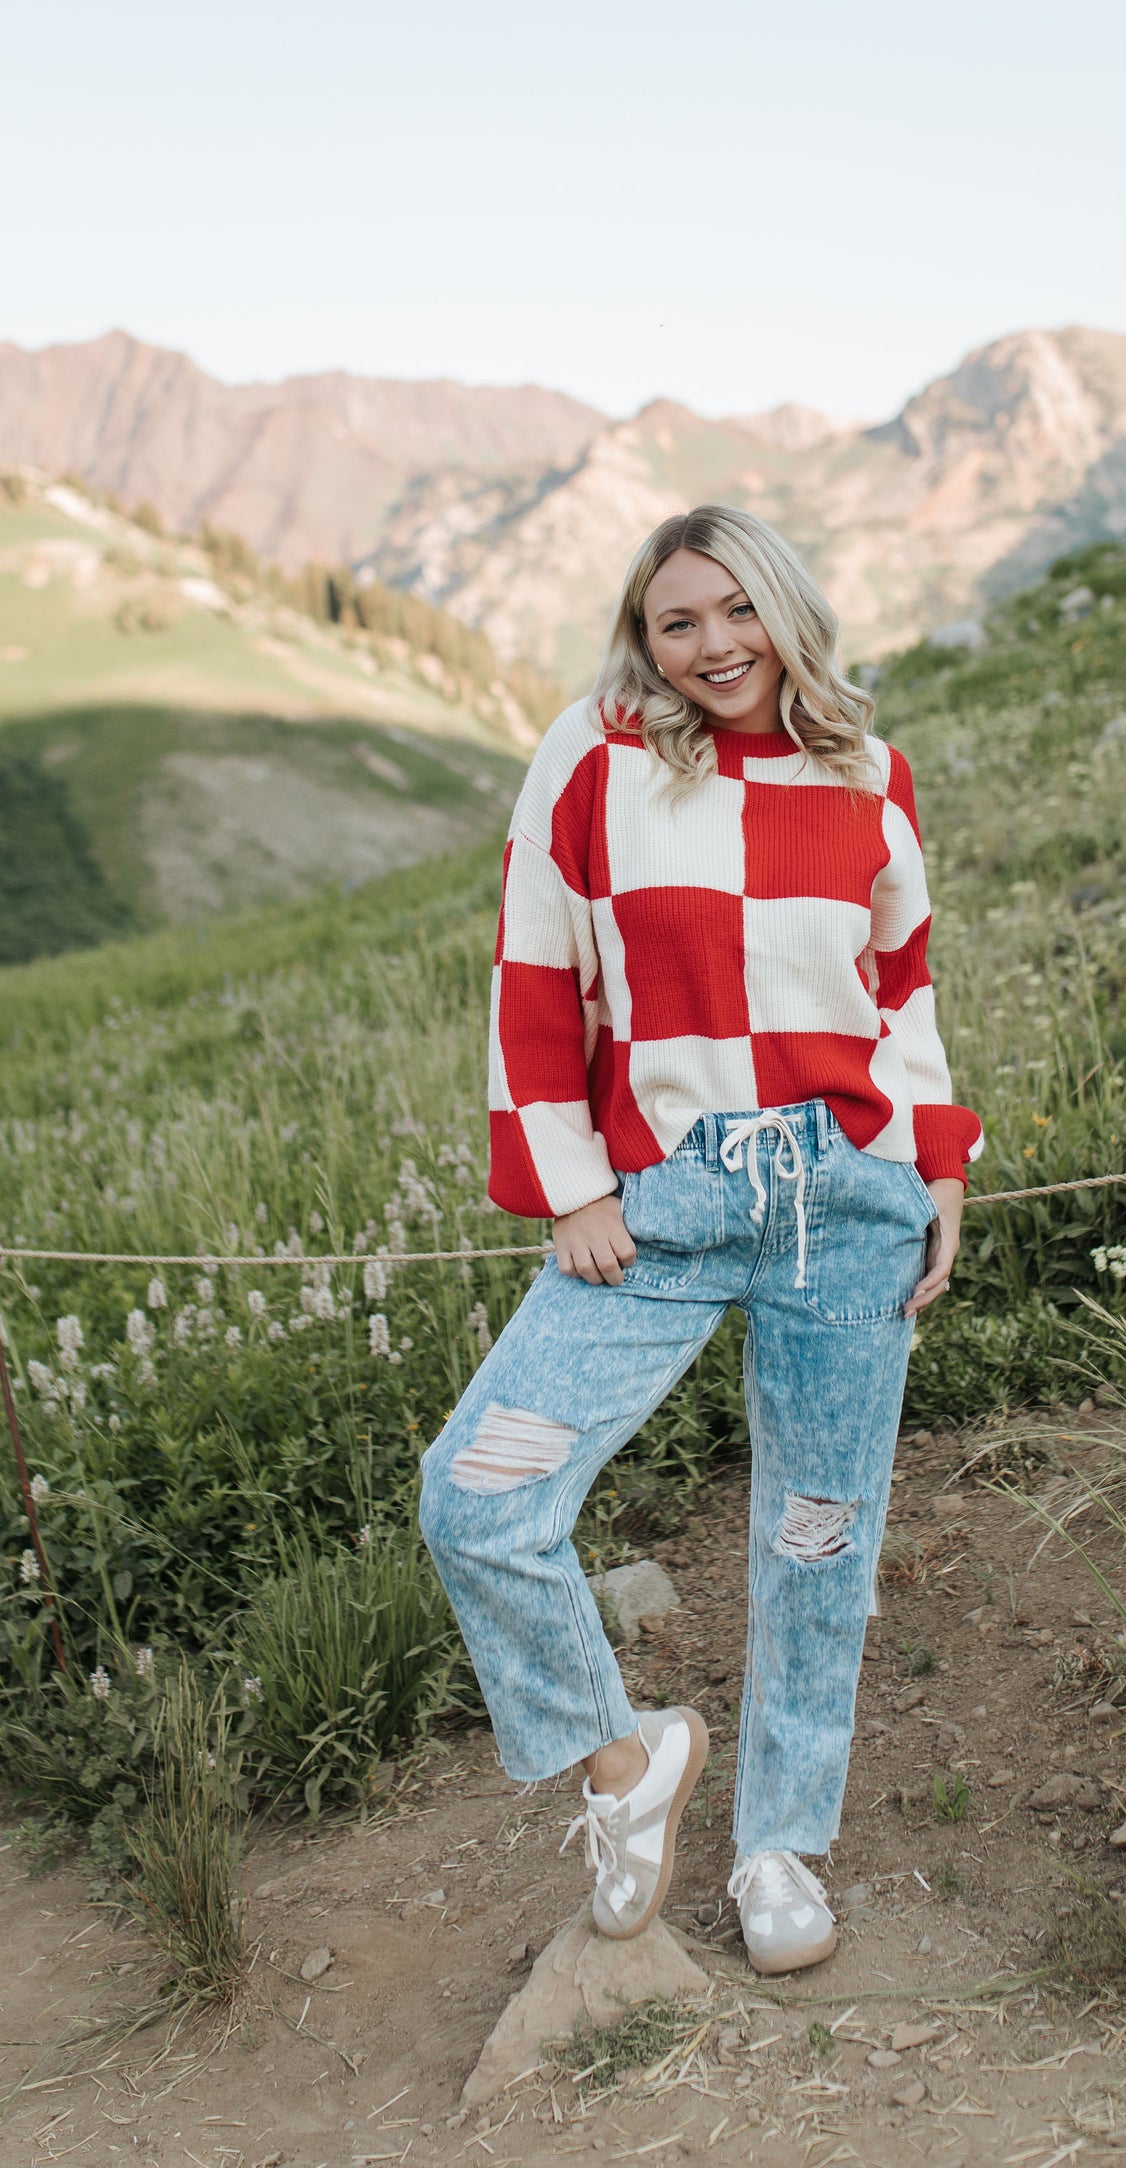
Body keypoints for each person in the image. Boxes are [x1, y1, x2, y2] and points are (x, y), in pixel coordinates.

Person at [420, 504, 982, 1976]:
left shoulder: (869, 771)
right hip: (657, 1199)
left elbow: (903, 986)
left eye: (738, 610)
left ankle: (780, 1846)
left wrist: (939, 1164)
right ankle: (622, 1764)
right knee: (476, 1498)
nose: (714, 643)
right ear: (644, 639)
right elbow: (530, 973)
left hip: (843, 1197)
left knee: (816, 1540)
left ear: (784, 610)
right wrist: (568, 1186)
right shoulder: (595, 756)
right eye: (680, 621)